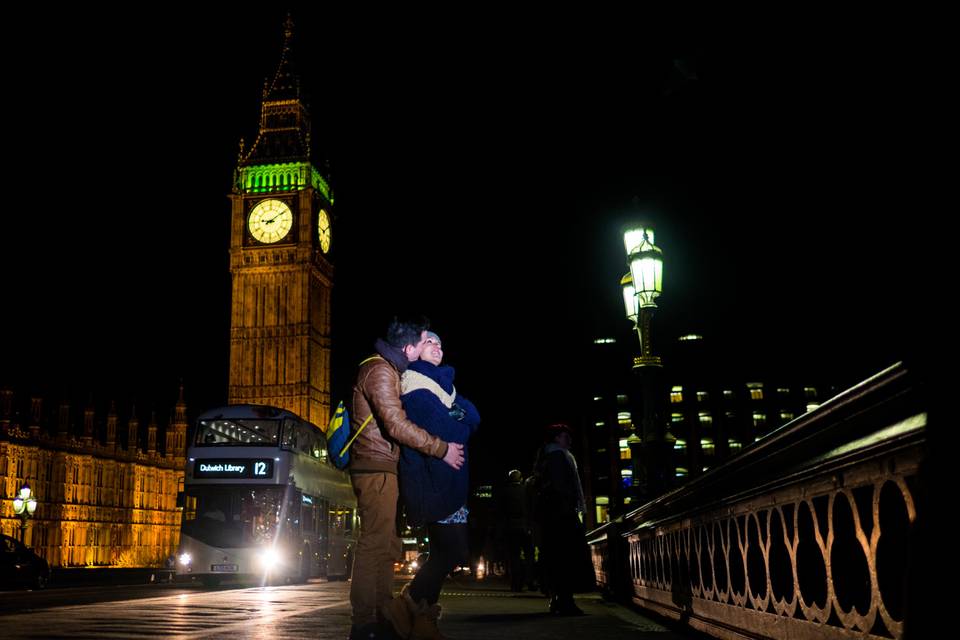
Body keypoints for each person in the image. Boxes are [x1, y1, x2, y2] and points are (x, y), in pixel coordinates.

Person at [348, 317, 466, 640]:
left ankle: (384, 614)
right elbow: (396, 425)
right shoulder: (380, 371)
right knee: (373, 544)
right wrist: (440, 448)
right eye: (423, 342)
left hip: (384, 465)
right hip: (374, 466)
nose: (429, 347)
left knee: (387, 545)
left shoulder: (389, 369)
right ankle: (363, 624)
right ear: (410, 347)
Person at [383, 331, 480, 640]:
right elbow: (451, 429)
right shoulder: (415, 385)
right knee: (452, 550)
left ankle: (421, 617)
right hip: (432, 481)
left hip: (448, 481)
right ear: (414, 349)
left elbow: (474, 416)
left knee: (445, 550)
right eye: (429, 342)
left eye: (440, 342)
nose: (438, 346)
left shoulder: (443, 387)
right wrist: (458, 419)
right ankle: (409, 602)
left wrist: (458, 416)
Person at [531, 423, 593, 616]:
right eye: (566, 436)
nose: (569, 440)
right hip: (561, 516)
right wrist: (570, 509)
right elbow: (562, 488)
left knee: (556, 558)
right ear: (557, 438)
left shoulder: (547, 456)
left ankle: (558, 599)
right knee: (567, 557)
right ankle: (565, 601)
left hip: (552, 516)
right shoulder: (559, 456)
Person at [498, 469, 536, 592]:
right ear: (520, 478)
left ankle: (516, 584)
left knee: (514, 557)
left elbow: (500, 512)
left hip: (511, 528)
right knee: (529, 555)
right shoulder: (526, 490)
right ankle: (530, 581)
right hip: (526, 527)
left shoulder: (504, 492)